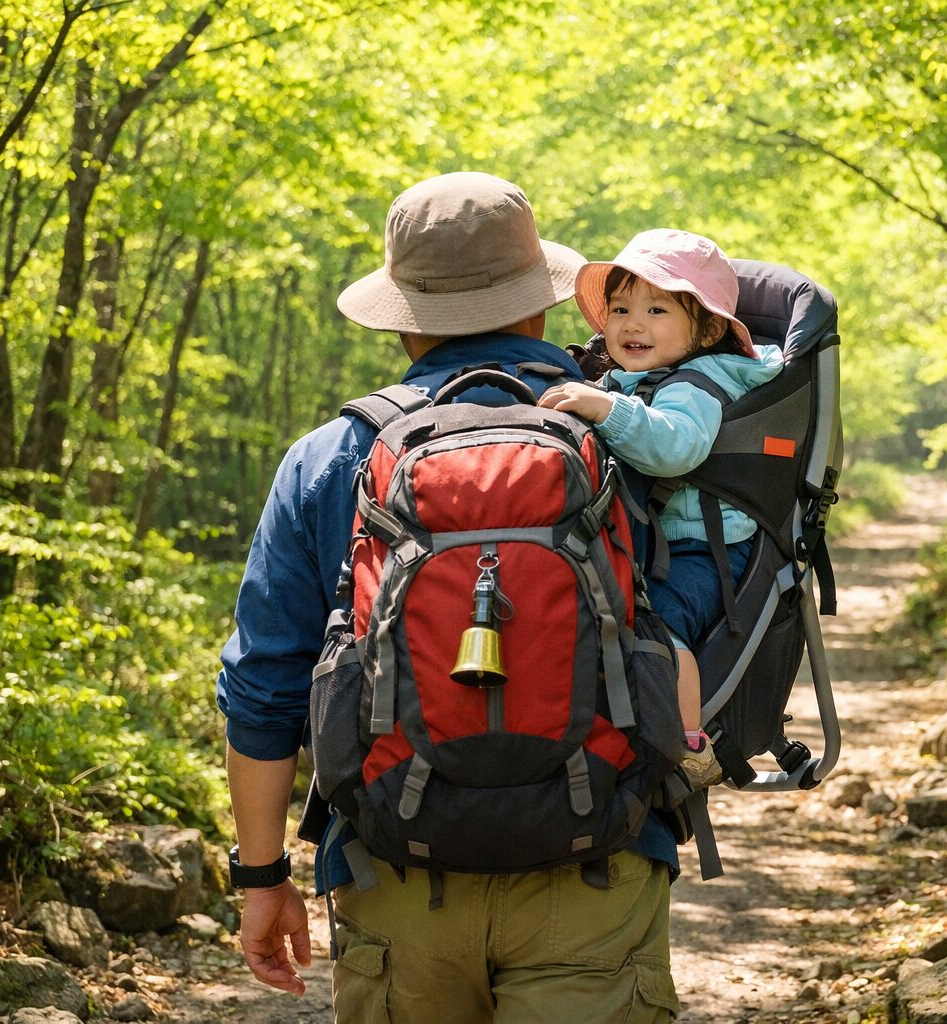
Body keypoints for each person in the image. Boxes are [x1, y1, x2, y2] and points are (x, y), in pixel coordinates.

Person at [217, 172, 681, 1023]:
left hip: (396, 865)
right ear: (540, 305)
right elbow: (697, 628)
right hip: (597, 858)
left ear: (404, 321)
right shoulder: (632, 436)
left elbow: (263, 686)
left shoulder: (329, 457)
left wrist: (261, 879)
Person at [537, 229, 784, 786]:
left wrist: (607, 410)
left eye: (656, 309)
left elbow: (675, 448)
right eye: (620, 308)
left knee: (660, 630)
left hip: (704, 549)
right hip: (660, 541)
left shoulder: (695, 384)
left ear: (709, 328)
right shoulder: (639, 379)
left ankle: (690, 745)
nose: (631, 323)